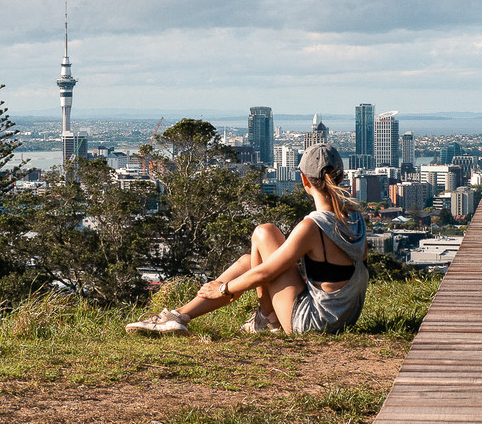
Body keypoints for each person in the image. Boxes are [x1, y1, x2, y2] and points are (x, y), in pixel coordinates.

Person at [125, 143, 369, 336]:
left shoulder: (313, 227)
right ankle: (178, 316)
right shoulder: (356, 219)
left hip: (315, 323)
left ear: (304, 180)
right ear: (342, 176)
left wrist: (222, 288)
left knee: (264, 232)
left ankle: (265, 319)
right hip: (343, 316)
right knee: (247, 260)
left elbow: (265, 274)